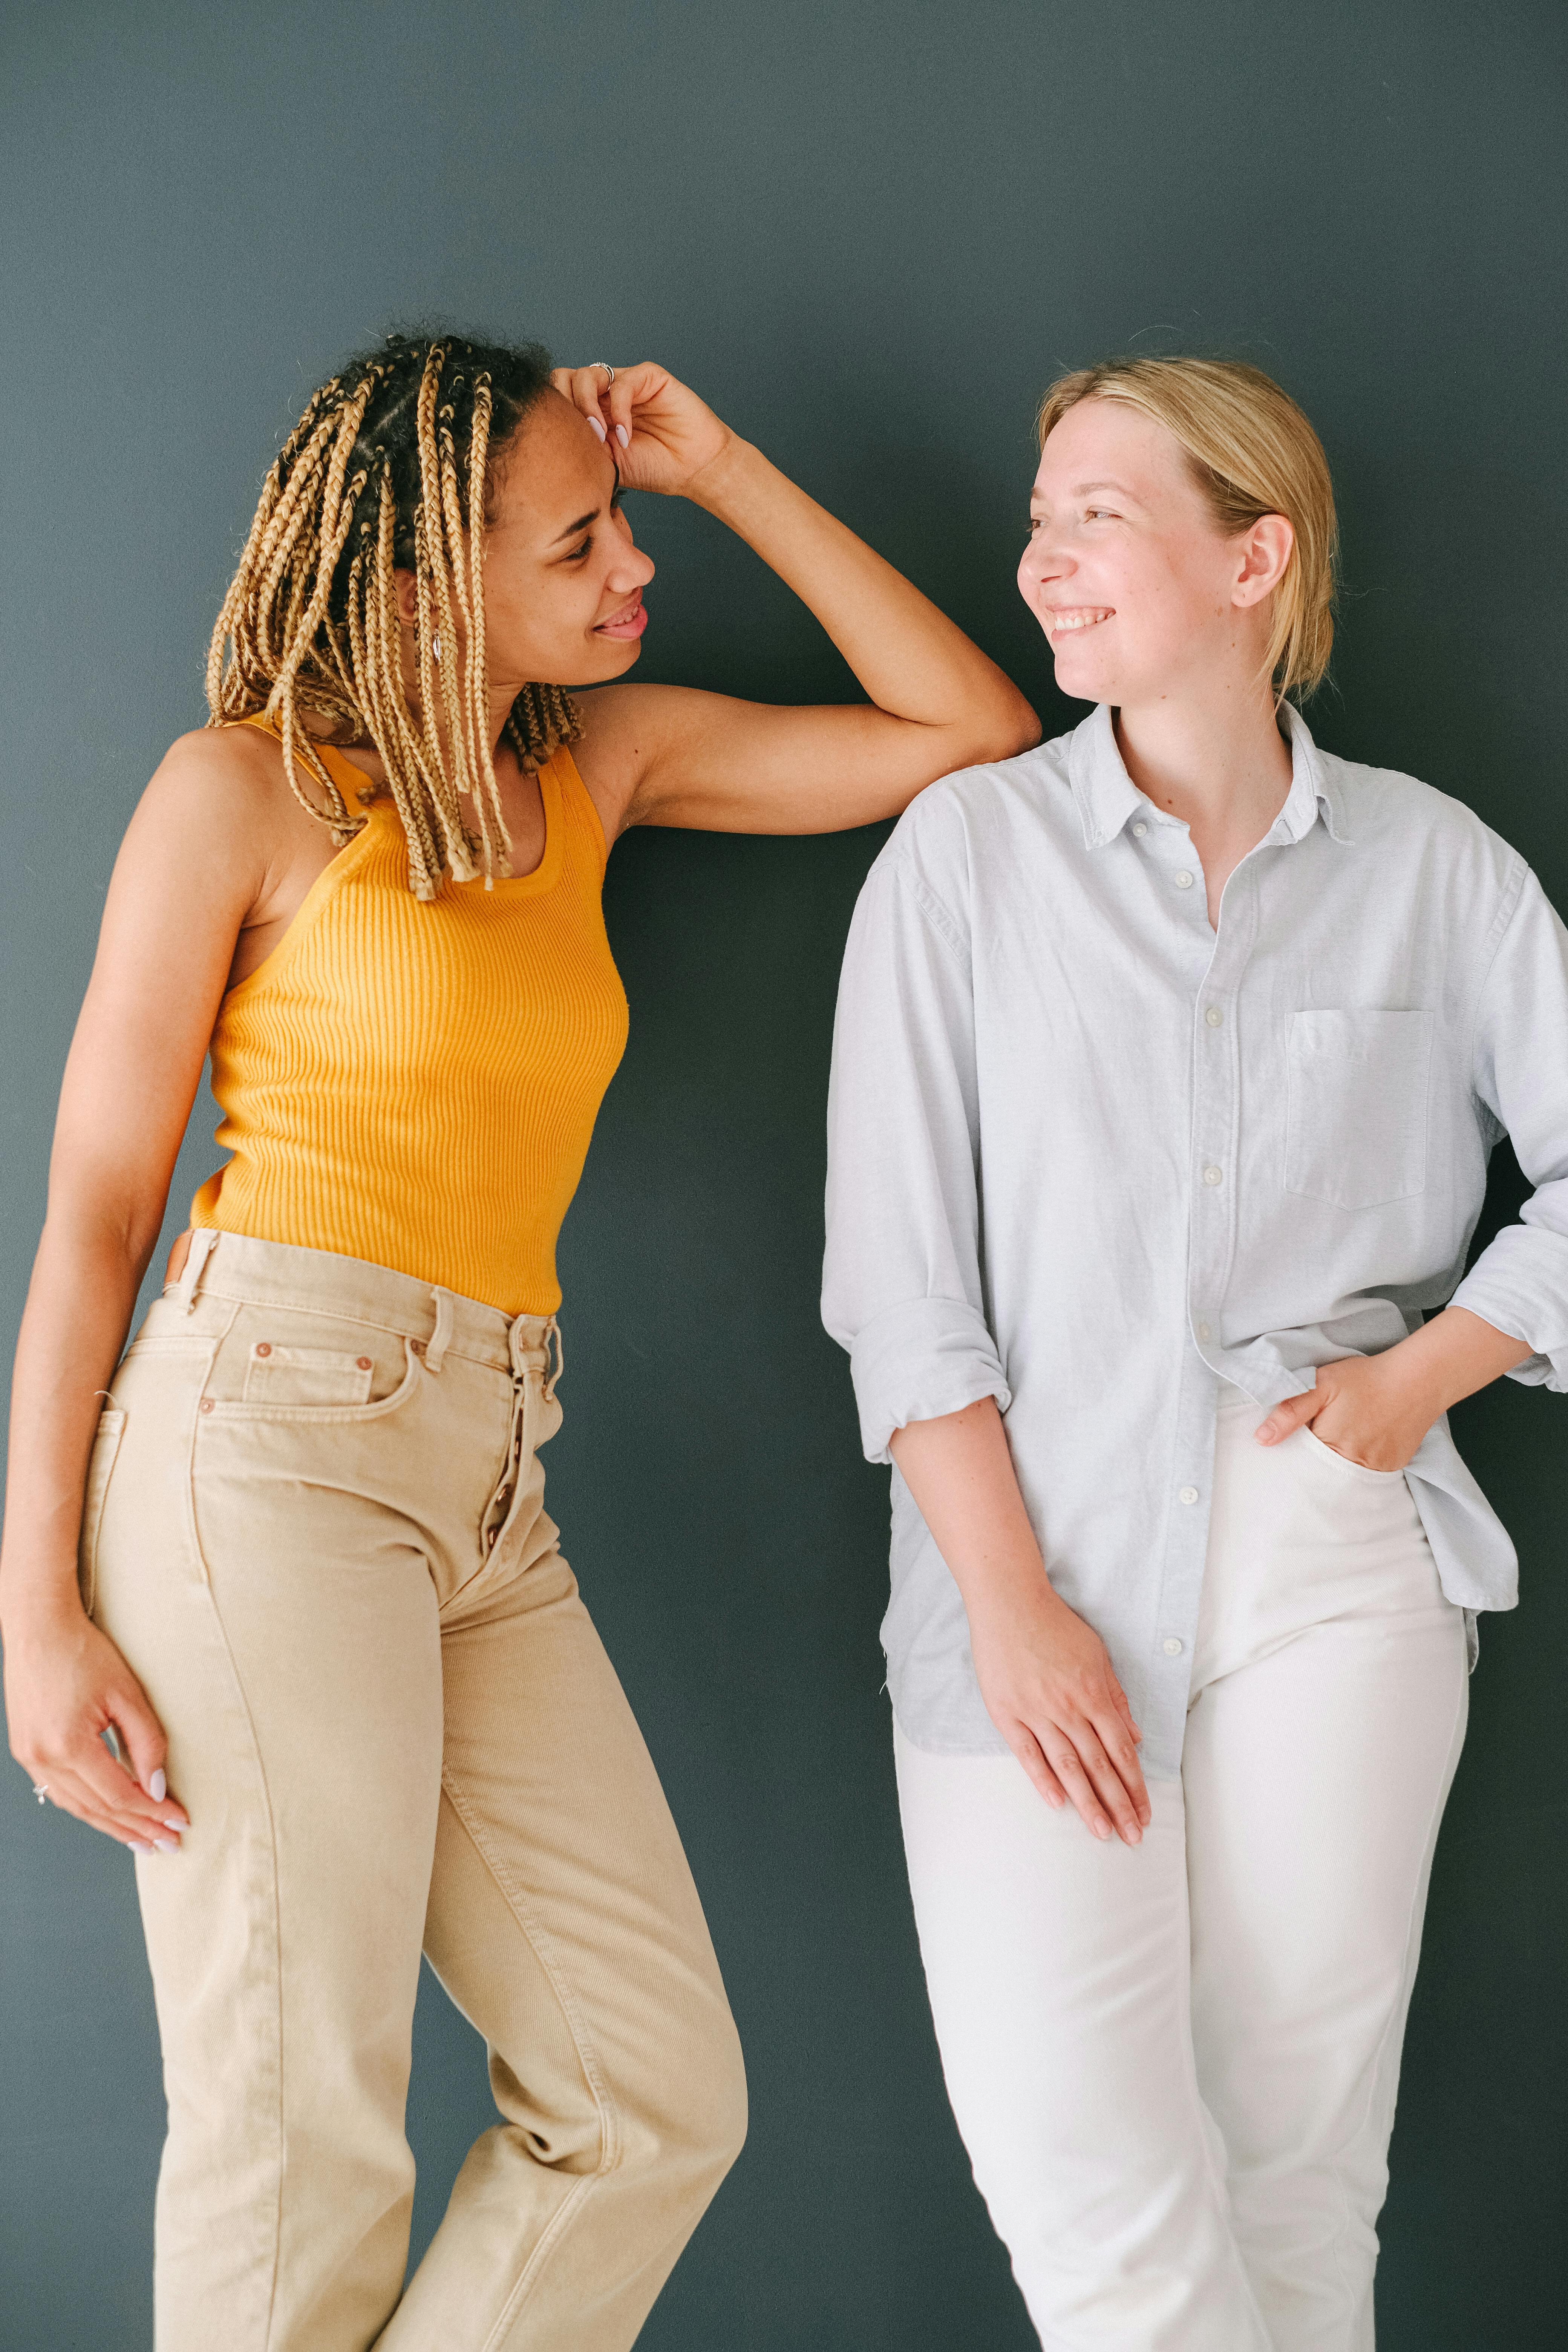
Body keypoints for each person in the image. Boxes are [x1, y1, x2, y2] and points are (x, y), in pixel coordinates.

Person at [0, 330, 1038, 2352]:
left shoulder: (600, 763)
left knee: (651, 2098)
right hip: (265, 1447)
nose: (628, 568)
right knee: (300, 2134)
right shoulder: (243, 797)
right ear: (412, 580)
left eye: (626, 521)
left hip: (489, 1476)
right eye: (577, 540)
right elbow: (92, 1227)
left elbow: (968, 729)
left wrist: (729, 463)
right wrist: (32, 1603)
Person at [822, 354, 1567, 2349]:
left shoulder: (1437, 870)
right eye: (1040, 516)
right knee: (1103, 2218)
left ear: (1256, 558)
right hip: (1028, 1583)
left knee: (1304, 2185)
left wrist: (1419, 1383)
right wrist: (1011, 1603)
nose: (1041, 562)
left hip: (1337, 1573)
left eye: (1097, 516)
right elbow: (905, 1292)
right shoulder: (961, 866)